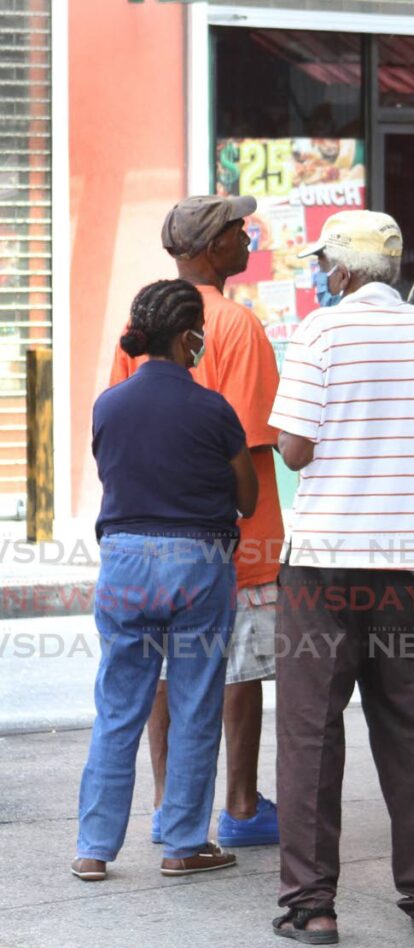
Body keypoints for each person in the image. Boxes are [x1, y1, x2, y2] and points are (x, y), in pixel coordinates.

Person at [269, 210, 414, 945]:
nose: (323, 274)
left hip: (323, 567)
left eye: (325, 263)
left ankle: (312, 906)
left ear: (343, 270)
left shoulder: (320, 333)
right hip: (407, 568)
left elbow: (293, 450)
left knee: (310, 732)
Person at [110, 195, 285, 849]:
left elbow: (121, 422)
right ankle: (240, 805)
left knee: (161, 669)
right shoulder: (237, 325)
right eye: (241, 231)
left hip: (155, 536)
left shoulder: (142, 321)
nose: (249, 238)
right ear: (213, 248)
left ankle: (166, 806)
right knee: (239, 673)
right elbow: (249, 440)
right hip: (237, 540)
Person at [72, 280, 258, 882]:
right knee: (196, 701)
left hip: (123, 562)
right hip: (197, 564)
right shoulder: (214, 409)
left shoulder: (109, 404)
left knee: (117, 708)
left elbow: (114, 474)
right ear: (188, 338)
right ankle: (183, 844)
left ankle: (93, 850)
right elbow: (248, 498)